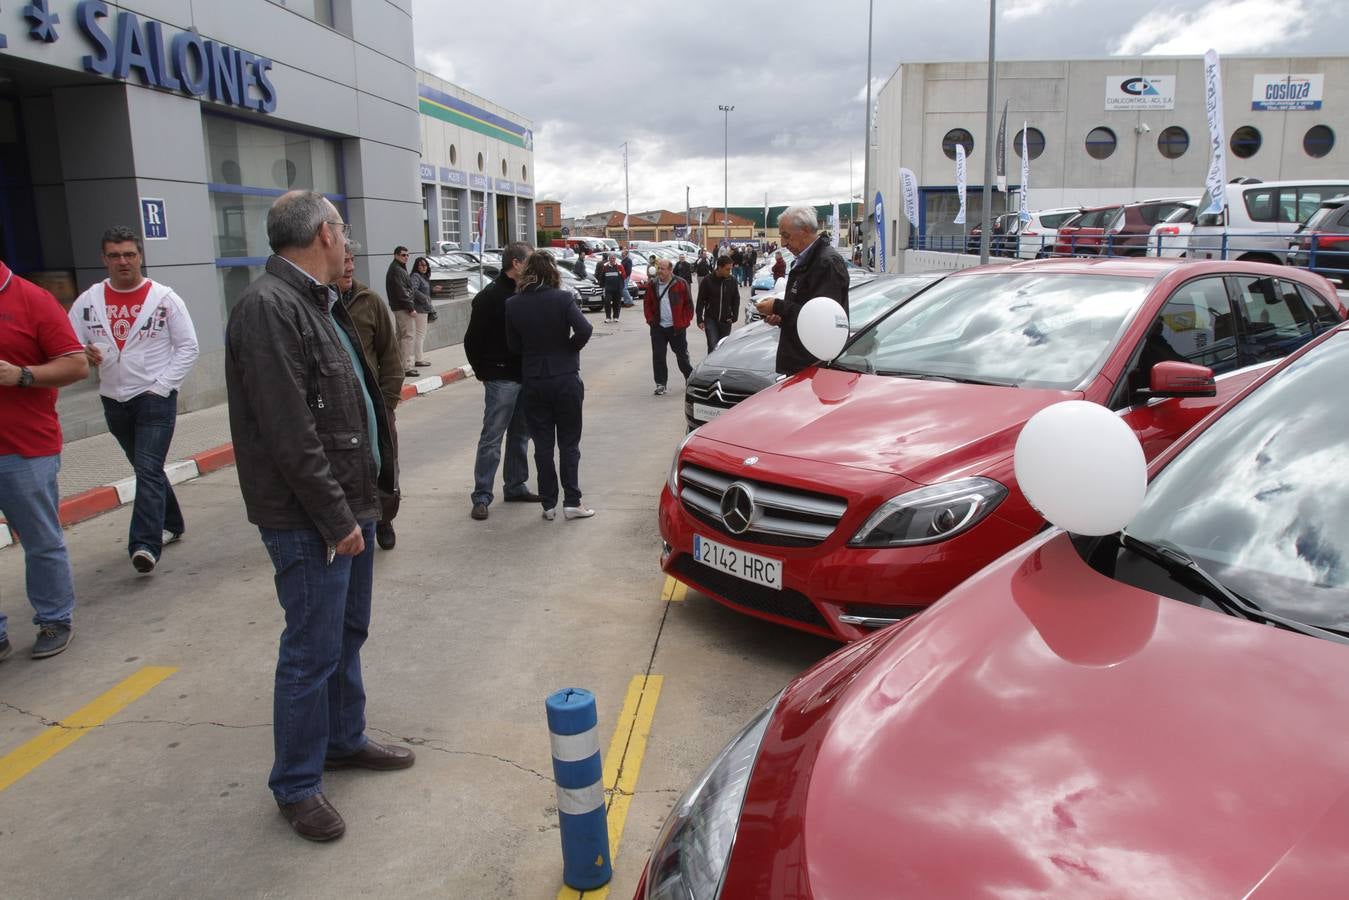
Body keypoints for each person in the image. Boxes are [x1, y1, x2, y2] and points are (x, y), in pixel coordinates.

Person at [225, 191, 413, 843]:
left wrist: (365, 502)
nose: (348, 241)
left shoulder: (316, 302)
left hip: (345, 505)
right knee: (310, 649)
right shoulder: (269, 308)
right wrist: (336, 519)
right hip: (309, 518)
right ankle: (297, 783)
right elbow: (289, 431)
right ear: (324, 233)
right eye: (342, 229)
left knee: (346, 634)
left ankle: (343, 739)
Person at [67, 225, 199, 575]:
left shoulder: (164, 298)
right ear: (104, 259)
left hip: (154, 399)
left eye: (129, 254)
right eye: (114, 255)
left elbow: (188, 347)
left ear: (140, 256)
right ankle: (173, 522)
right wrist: (83, 353)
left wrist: (163, 386)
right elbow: (67, 344)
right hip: (114, 399)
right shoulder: (89, 301)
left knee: (146, 468)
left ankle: (144, 544)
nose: (122, 261)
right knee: (148, 469)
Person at [0, 257, 88, 661]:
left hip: (24, 449)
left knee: (40, 541)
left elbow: (76, 363)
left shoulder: (31, 299)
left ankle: (54, 618)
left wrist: (23, 375)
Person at [505, 252, 593, 521]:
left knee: (542, 445)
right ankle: (572, 502)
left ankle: (548, 504)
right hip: (565, 377)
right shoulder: (563, 298)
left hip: (533, 381)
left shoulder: (513, 304)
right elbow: (585, 329)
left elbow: (513, 346)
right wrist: (567, 349)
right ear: (552, 272)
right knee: (569, 443)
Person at [464, 241, 539, 521]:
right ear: (516, 264)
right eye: (529, 261)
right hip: (500, 379)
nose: (532, 267)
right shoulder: (489, 297)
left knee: (521, 436)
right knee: (492, 439)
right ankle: (482, 495)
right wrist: (483, 372)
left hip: (525, 377)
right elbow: (472, 340)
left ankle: (516, 486)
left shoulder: (528, 294)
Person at [337, 241, 405, 551]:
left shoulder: (370, 301)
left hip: (374, 407)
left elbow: (391, 357)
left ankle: (384, 520)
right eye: (344, 260)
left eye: (352, 260)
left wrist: (387, 404)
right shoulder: (317, 306)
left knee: (382, 465)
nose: (350, 266)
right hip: (338, 412)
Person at [754, 205, 850, 377]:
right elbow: (802, 311)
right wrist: (781, 318)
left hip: (813, 367)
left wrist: (778, 307)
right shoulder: (807, 260)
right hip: (800, 363)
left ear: (805, 230)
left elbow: (822, 320)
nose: (783, 243)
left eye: (786, 236)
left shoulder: (826, 263)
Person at [644, 258, 694, 395]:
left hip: (677, 327)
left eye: (662, 268)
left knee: (682, 355)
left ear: (670, 270)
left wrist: (684, 322)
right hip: (658, 327)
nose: (659, 271)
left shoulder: (681, 284)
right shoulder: (652, 284)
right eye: (658, 268)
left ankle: (689, 377)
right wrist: (650, 320)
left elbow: (689, 305)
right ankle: (660, 383)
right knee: (658, 355)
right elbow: (647, 304)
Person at [385, 245, 418, 377]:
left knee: (401, 336)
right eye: (403, 255)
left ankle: (400, 365)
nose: (406, 257)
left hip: (399, 306)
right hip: (402, 307)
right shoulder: (397, 270)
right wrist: (410, 308)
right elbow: (402, 292)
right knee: (408, 336)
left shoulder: (397, 268)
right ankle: (406, 366)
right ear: (396, 255)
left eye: (407, 255)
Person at [696, 255, 740, 354]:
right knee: (713, 346)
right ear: (719, 267)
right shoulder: (707, 280)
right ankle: (709, 368)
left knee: (723, 348)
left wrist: (734, 316)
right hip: (711, 319)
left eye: (730, 269)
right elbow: (700, 300)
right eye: (727, 269)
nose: (730, 272)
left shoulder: (732, 281)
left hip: (726, 320)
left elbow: (736, 299)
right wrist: (699, 318)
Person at [408, 256, 434, 368]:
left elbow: (422, 289)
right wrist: (424, 298)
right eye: (421, 265)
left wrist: (433, 290)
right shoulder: (416, 276)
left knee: (420, 334)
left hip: (423, 308)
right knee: (420, 334)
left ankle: (419, 358)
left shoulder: (422, 277)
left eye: (425, 265)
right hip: (420, 309)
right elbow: (413, 290)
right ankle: (418, 359)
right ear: (416, 266)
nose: (423, 267)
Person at [595, 253, 624, 324]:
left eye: (614, 258)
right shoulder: (605, 267)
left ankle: (616, 317)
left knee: (617, 303)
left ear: (615, 259)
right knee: (607, 302)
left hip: (617, 288)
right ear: (609, 259)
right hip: (608, 289)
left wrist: (621, 285)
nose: (612, 260)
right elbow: (602, 277)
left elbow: (624, 276)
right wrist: (602, 285)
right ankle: (608, 317)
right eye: (611, 258)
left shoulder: (619, 266)